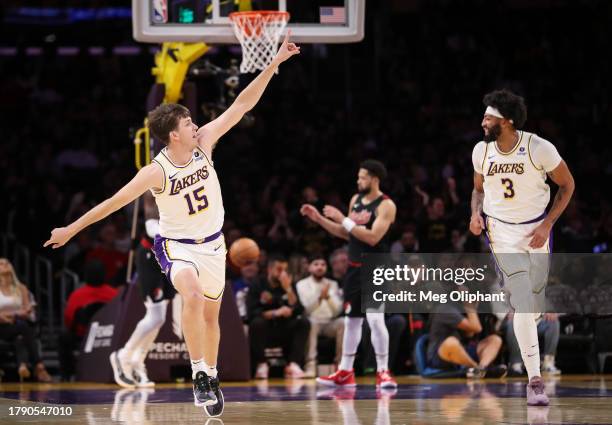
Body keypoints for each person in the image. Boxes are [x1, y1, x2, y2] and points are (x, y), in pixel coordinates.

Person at [44, 33, 300, 416]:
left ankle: (209, 374)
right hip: (177, 246)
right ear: (174, 134)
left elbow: (242, 103)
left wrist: (274, 63)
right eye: (189, 121)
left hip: (214, 245)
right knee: (192, 296)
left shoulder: (205, 143)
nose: (197, 124)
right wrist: (69, 230)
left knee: (212, 317)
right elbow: (112, 203)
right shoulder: (155, 171)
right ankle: (199, 374)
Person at [469, 89, 575, 405]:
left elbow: (567, 185)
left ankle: (533, 362)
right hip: (501, 232)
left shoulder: (539, 148)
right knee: (523, 301)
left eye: (489, 117)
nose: (483, 122)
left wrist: (547, 224)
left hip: (536, 230)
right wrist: (474, 213)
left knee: (534, 307)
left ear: (508, 121)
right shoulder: (480, 152)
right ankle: (535, 381)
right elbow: (477, 190)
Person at [301, 159, 398, 388]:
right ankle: (345, 371)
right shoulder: (355, 201)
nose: (358, 180)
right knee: (351, 321)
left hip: (376, 268)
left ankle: (383, 371)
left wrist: (342, 218)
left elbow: (373, 237)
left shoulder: (386, 205)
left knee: (375, 320)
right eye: (358, 176)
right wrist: (319, 219)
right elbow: (348, 234)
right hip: (354, 269)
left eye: (363, 177)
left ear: (375, 179)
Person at [110, 192, 176, 389]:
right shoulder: (154, 188)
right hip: (151, 256)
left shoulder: (183, 186)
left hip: (170, 255)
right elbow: (151, 227)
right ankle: (123, 355)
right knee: (156, 317)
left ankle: (138, 360)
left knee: (160, 317)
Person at [247, 256, 310, 379]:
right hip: (266, 330)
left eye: (285, 270)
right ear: (269, 269)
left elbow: (298, 309)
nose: (283, 273)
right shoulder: (257, 284)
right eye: (279, 269)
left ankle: (293, 364)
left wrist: (288, 289)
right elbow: (252, 312)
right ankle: (262, 364)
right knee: (257, 323)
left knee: (303, 322)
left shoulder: (288, 284)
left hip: (284, 328)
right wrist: (276, 312)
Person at [60, 259, 118, 380]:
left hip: (83, 335)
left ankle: (66, 374)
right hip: (108, 335)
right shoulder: (114, 294)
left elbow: (69, 319)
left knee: (64, 337)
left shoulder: (77, 294)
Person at [426, 296, 506, 378]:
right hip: (440, 355)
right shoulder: (445, 309)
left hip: (463, 350)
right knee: (451, 342)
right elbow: (477, 328)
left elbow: (470, 334)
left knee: (495, 339)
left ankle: (482, 367)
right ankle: (477, 369)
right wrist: (469, 306)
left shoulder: (461, 308)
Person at [0, 258, 52, 382]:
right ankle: (39, 366)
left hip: (17, 325)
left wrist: (11, 315)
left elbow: (27, 310)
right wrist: (15, 314)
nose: (5, 264)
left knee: (21, 336)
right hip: (1, 327)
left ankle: (22, 367)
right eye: (1, 264)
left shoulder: (21, 288)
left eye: (7, 262)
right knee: (24, 328)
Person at [296, 255, 344, 377]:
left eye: (323, 265)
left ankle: (341, 365)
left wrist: (327, 298)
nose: (320, 267)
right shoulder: (301, 284)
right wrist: (319, 298)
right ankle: (310, 366)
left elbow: (337, 311)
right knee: (310, 322)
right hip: (313, 321)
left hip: (329, 322)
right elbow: (306, 310)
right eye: (316, 264)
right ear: (309, 268)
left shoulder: (333, 284)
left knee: (344, 322)